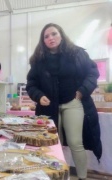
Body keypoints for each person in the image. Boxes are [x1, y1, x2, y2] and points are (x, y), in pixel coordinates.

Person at [26, 23, 102, 180]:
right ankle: (58, 176)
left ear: (61, 35)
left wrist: (82, 91)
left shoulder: (77, 53)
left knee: (75, 142)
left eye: (54, 34)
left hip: (73, 103)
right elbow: (31, 84)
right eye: (46, 36)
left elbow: (92, 73)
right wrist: (39, 96)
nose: (50, 38)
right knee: (53, 144)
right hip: (49, 108)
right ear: (43, 41)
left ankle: (82, 177)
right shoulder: (38, 61)